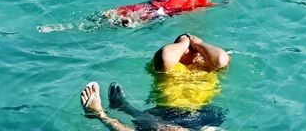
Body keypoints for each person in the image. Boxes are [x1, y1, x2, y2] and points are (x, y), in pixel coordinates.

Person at [80, 33, 230, 130]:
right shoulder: (168, 68)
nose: (191, 52)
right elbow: (166, 55)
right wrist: (186, 41)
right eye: (185, 50)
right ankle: (115, 109)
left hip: (198, 113)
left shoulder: (208, 67)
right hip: (171, 112)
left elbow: (221, 59)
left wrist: (196, 43)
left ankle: (103, 113)